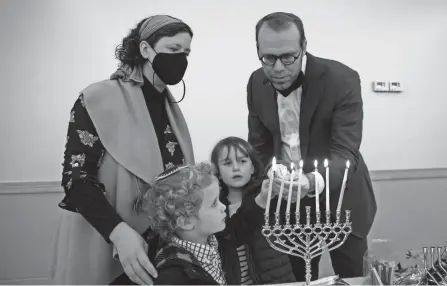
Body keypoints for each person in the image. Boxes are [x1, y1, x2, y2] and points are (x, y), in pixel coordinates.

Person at [50, 15, 195, 285]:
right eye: (174, 50)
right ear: (145, 49)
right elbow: (75, 178)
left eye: (186, 53)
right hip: (106, 239)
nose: (182, 60)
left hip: (160, 252)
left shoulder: (172, 112)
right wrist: (119, 233)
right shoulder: (97, 98)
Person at [246, 12, 377, 280]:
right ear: (257, 50)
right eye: (268, 58)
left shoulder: (341, 79)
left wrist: (309, 181)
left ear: (304, 46)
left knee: (353, 277)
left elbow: (346, 151)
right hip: (288, 203)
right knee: (298, 278)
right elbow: (258, 147)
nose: (278, 68)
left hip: (342, 200)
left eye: (288, 57)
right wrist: (273, 177)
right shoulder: (255, 83)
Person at [111, 161, 277, 285]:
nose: (222, 207)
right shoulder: (173, 275)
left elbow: (241, 227)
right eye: (213, 203)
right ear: (186, 221)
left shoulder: (216, 239)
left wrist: (262, 200)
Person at [210, 136, 297, 284]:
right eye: (227, 163)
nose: (236, 168)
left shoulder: (267, 194)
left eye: (242, 161)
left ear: (253, 167)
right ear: (217, 171)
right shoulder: (217, 206)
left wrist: (277, 170)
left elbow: (279, 166)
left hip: (276, 280)